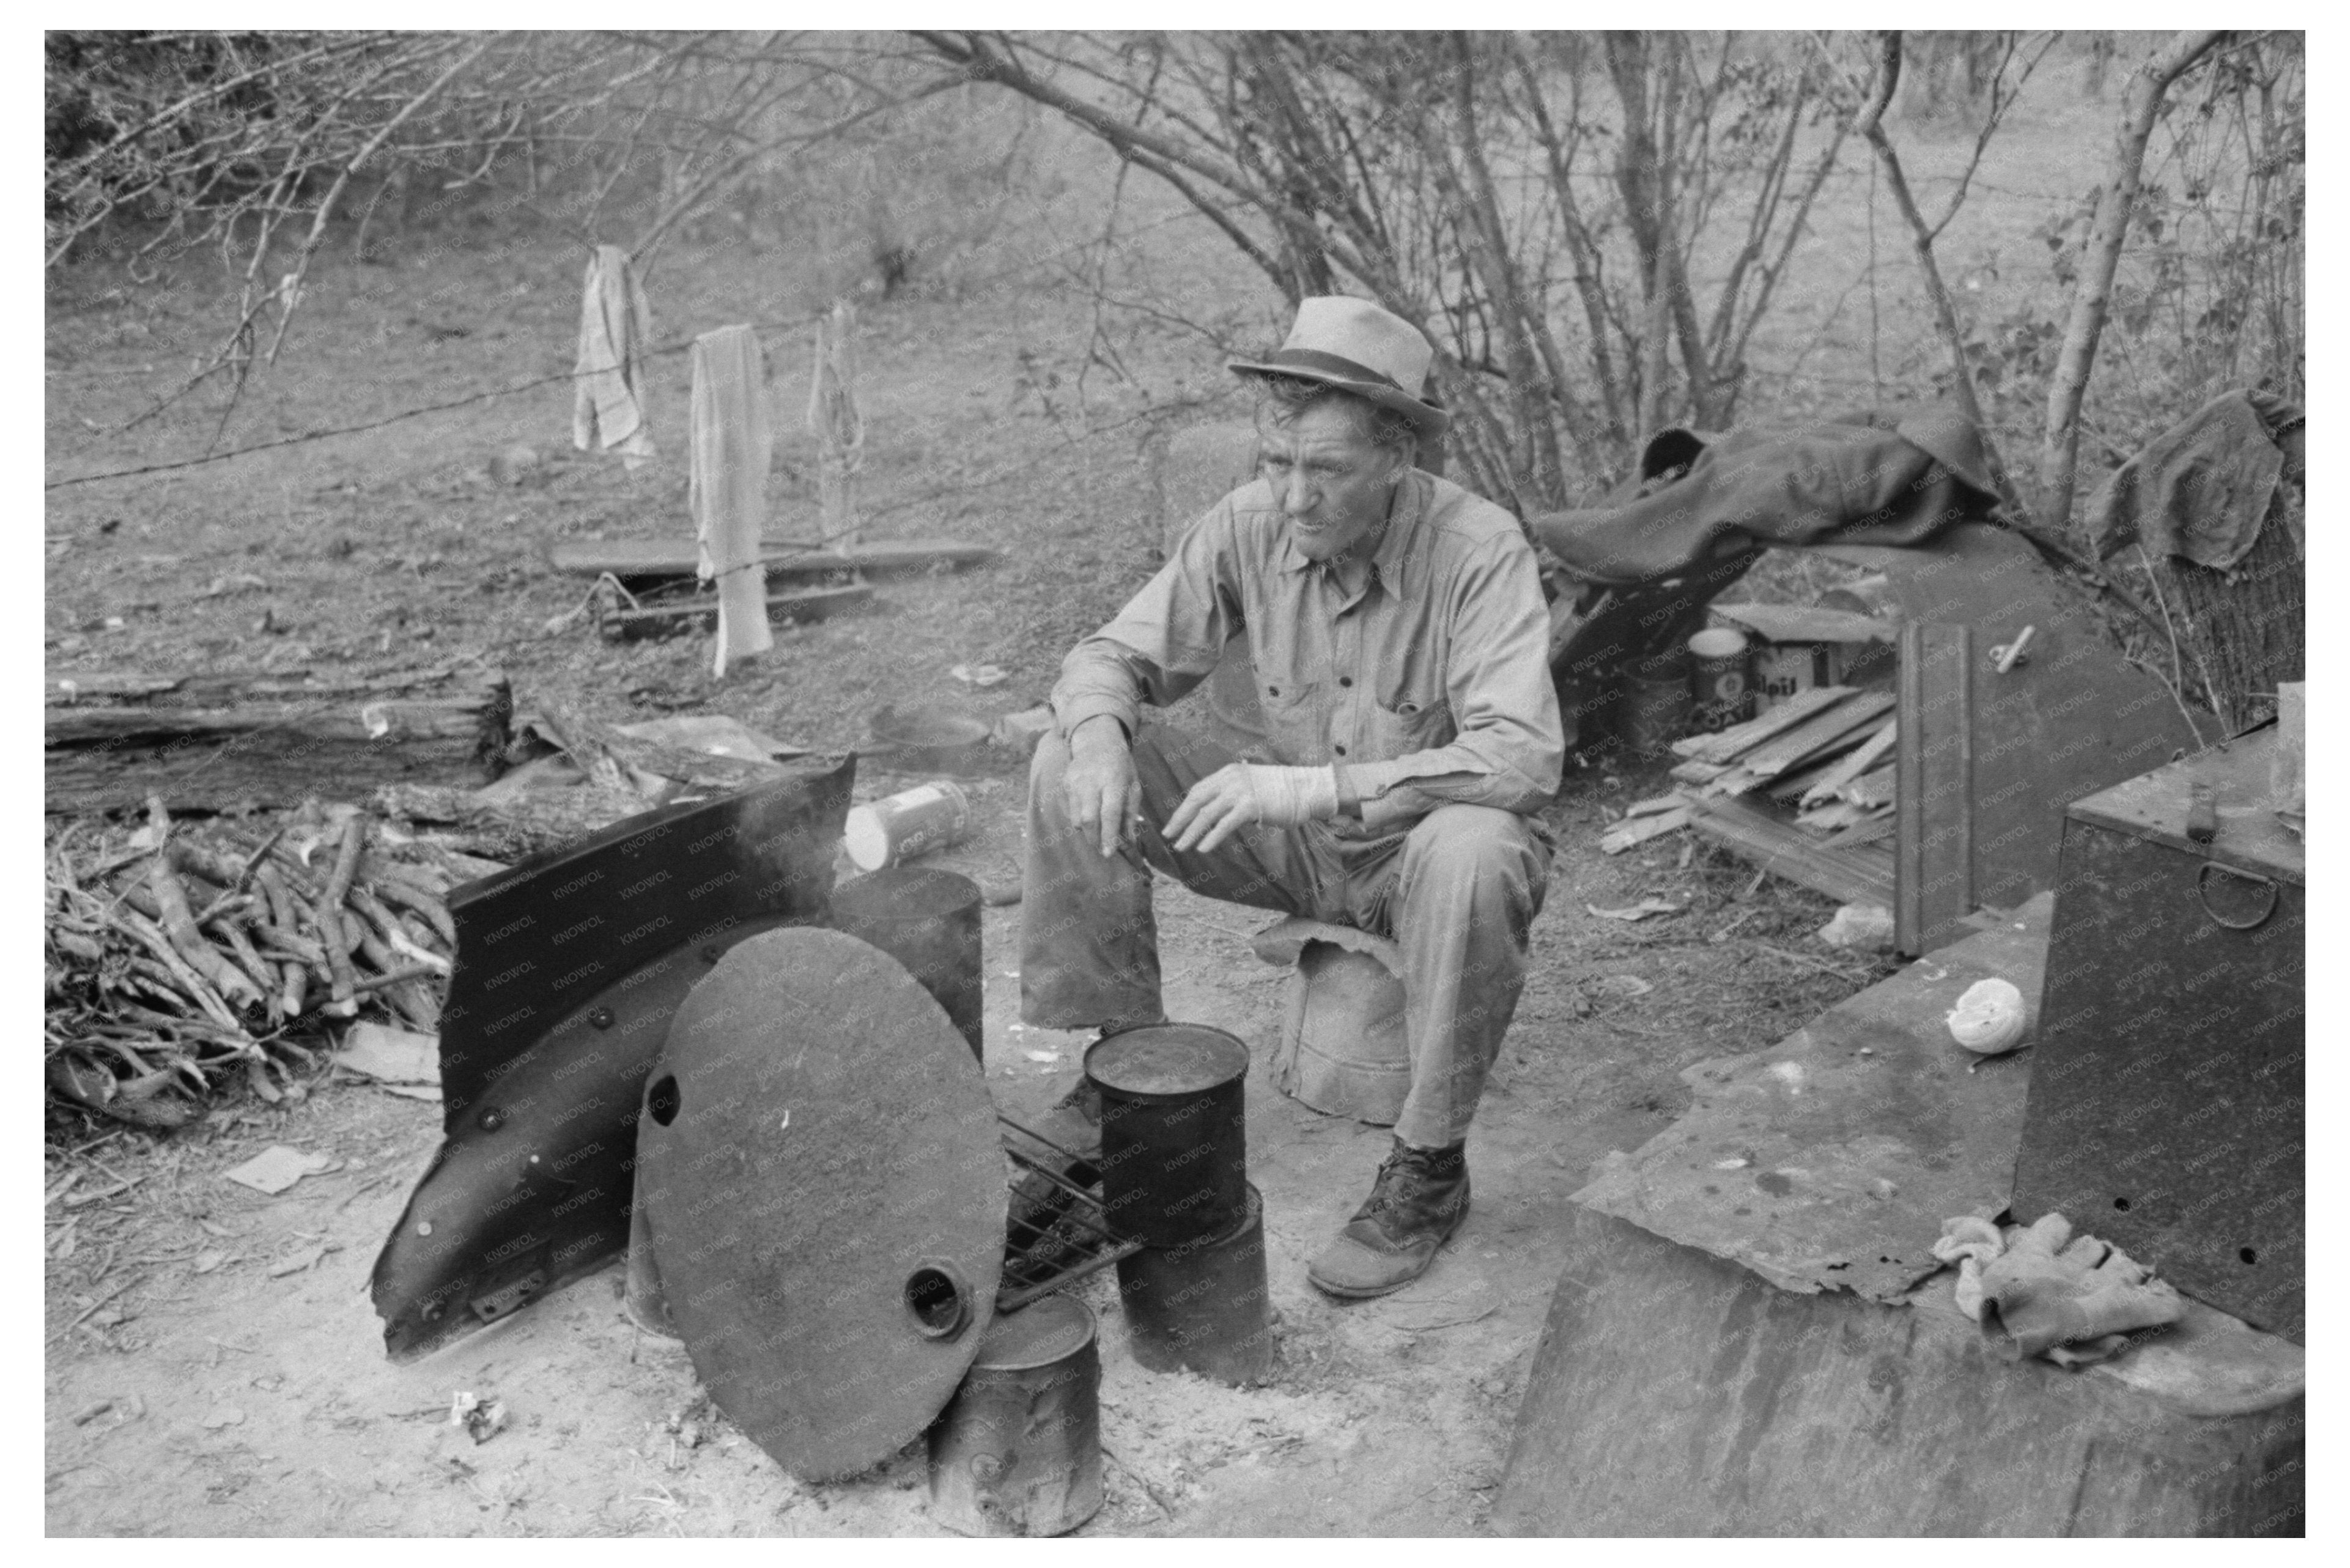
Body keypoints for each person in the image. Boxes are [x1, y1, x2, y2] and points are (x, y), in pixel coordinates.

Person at [1022, 295, 1565, 1298]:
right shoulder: (1249, 524)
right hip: (1295, 848)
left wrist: (1312, 784)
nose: (1294, 498)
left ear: (1399, 459)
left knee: (1480, 846)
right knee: (1069, 755)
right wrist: (1098, 732)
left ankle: (1428, 1171)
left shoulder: (1480, 550)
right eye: (1277, 465)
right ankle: (1123, 1073)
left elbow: (1524, 758)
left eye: (1327, 471)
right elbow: (1110, 655)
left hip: (1417, 859)